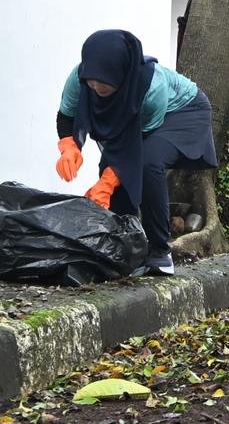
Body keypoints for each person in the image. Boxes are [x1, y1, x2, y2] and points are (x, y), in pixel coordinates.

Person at [54, 29, 218, 276]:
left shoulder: (151, 86)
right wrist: (69, 147)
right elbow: (65, 116)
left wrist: (108, 182)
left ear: (121, 73)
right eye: (92, 80)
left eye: (104, 81)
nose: (96, 86)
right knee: (109, 170)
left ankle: (160, 252)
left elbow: (136, 146)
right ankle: (127, 247)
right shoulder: (80, 79)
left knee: (147, 163)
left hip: (183, 112)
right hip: (137, 122)